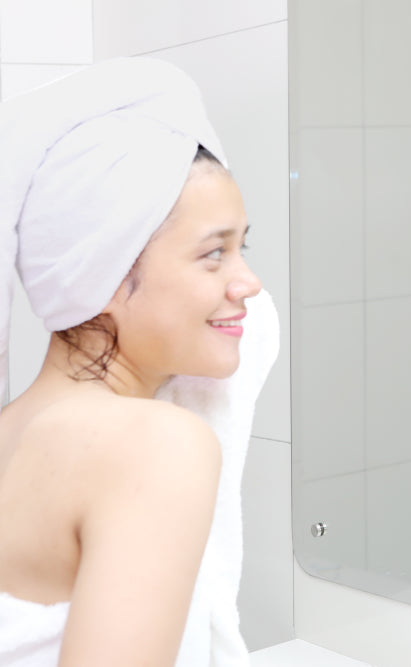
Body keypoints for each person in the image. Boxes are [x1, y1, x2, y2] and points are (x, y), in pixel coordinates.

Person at [0, 58, 277, 666]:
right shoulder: (155, 445)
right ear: (100, 271)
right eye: (214, 254)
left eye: (243, 247)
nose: (250, 283)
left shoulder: (14, 432)